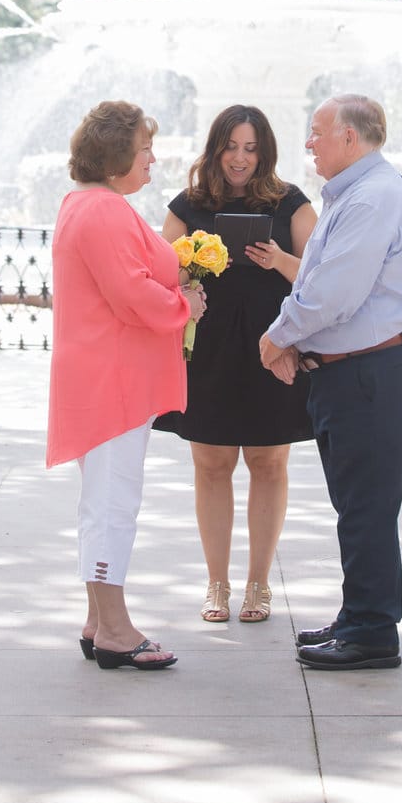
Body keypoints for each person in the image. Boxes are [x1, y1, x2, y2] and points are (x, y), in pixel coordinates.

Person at [259, 93, 402, 671]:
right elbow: (324, 280)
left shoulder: (370, 197)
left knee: (365, 504)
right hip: (360, 369)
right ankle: (360, 614)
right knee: (358, 502)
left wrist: (279, 336)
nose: (307, 142)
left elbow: (334, 291)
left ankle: (371, 630)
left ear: (350, 139)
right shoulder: (357, 193)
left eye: (316, 132)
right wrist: (298, 340)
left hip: (374, 369)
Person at [46, 100, 206, 672]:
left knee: (102, 502)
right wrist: (183, 305)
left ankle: (98, 619)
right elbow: (131, 294)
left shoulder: (83, 205)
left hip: (97, 376)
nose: (152, 160)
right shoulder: (106, 212)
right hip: (111, 381)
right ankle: (114, 627)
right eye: (143, 150)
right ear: (116, 159)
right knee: (114, 504)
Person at [154, 104, 317, 624]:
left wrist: (278, 259)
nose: (239, 159)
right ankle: (217, 584)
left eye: (250, 149)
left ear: (264, 152)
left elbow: (320, 280)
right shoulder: (188, 205)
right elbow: (158, 274)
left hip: (273, 349)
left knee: (269, 464)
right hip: (209, 352)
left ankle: (259, 584)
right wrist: (187, 270)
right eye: (230, 147)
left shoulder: (292, 203)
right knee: (211, 465)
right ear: (215, 148)